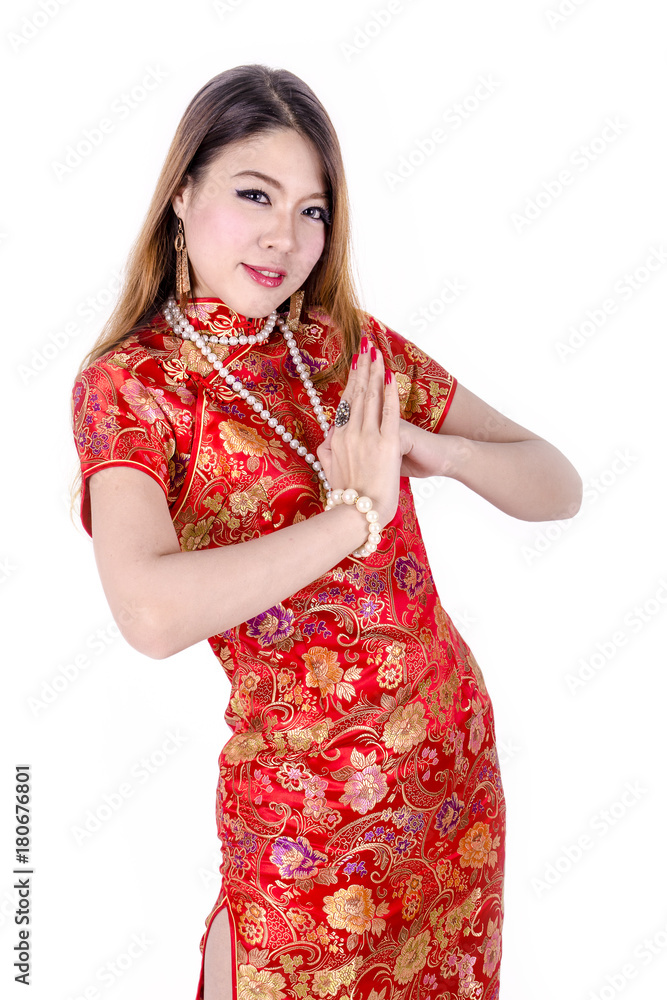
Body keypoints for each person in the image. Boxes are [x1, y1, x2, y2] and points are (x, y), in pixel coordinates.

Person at [70, 64, 582, 1000]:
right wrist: (354, 517)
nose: (285, 235)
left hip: (452, 779)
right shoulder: (131, 386)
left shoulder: (347, 344)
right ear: (182, 193)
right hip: (304, 820)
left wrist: (433, 450)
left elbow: (558, 486)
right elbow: (148, 612)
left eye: (312, 210)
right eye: (254, 194)